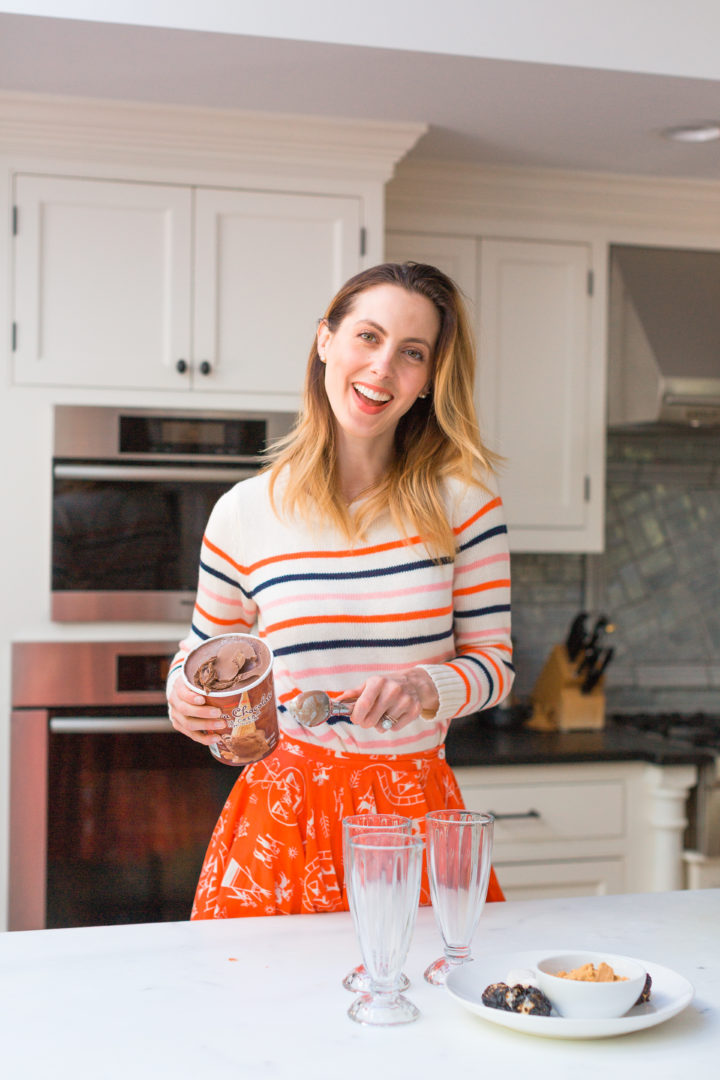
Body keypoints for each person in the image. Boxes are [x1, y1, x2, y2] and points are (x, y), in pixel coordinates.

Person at [166, 261, 514, 918]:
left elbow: (495, 668)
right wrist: (182, 694)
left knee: (424, 1008)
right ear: (325, 339)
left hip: (413, 818)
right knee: (262, 1012)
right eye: (368, 337)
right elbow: (203, 653)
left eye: (413, 353)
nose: (383, 369)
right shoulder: (244, 512)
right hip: (279, 818)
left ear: (430, 378)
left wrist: (423, 688)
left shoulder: (465, 505)